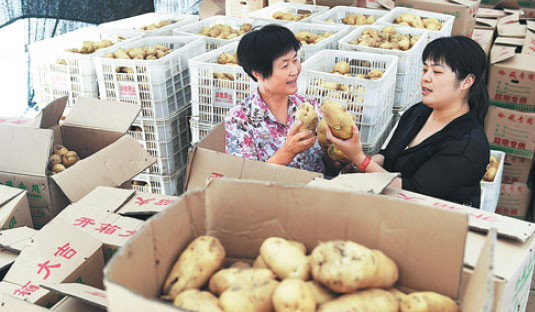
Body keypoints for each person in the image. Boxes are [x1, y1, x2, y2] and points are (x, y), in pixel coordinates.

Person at [327, 36, 490, 207]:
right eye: (425, 69)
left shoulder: (467, 146)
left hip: (430, 222)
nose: (426, 78)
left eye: (437, 72)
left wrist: (361, 159)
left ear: (467, 81)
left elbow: (412, 193)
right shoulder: (419, 112)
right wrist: (354, 164)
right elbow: (388, 156)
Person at [225, 24, 334, 174]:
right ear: (258, 73)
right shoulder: (240, 119)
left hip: (316, 192)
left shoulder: (308, 105)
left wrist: (338, 152)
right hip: (272, 196)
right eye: (284, 65)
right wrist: (288, 152)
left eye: (295, 60)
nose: (294, 71)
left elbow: (328, 166)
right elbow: (244, 179)